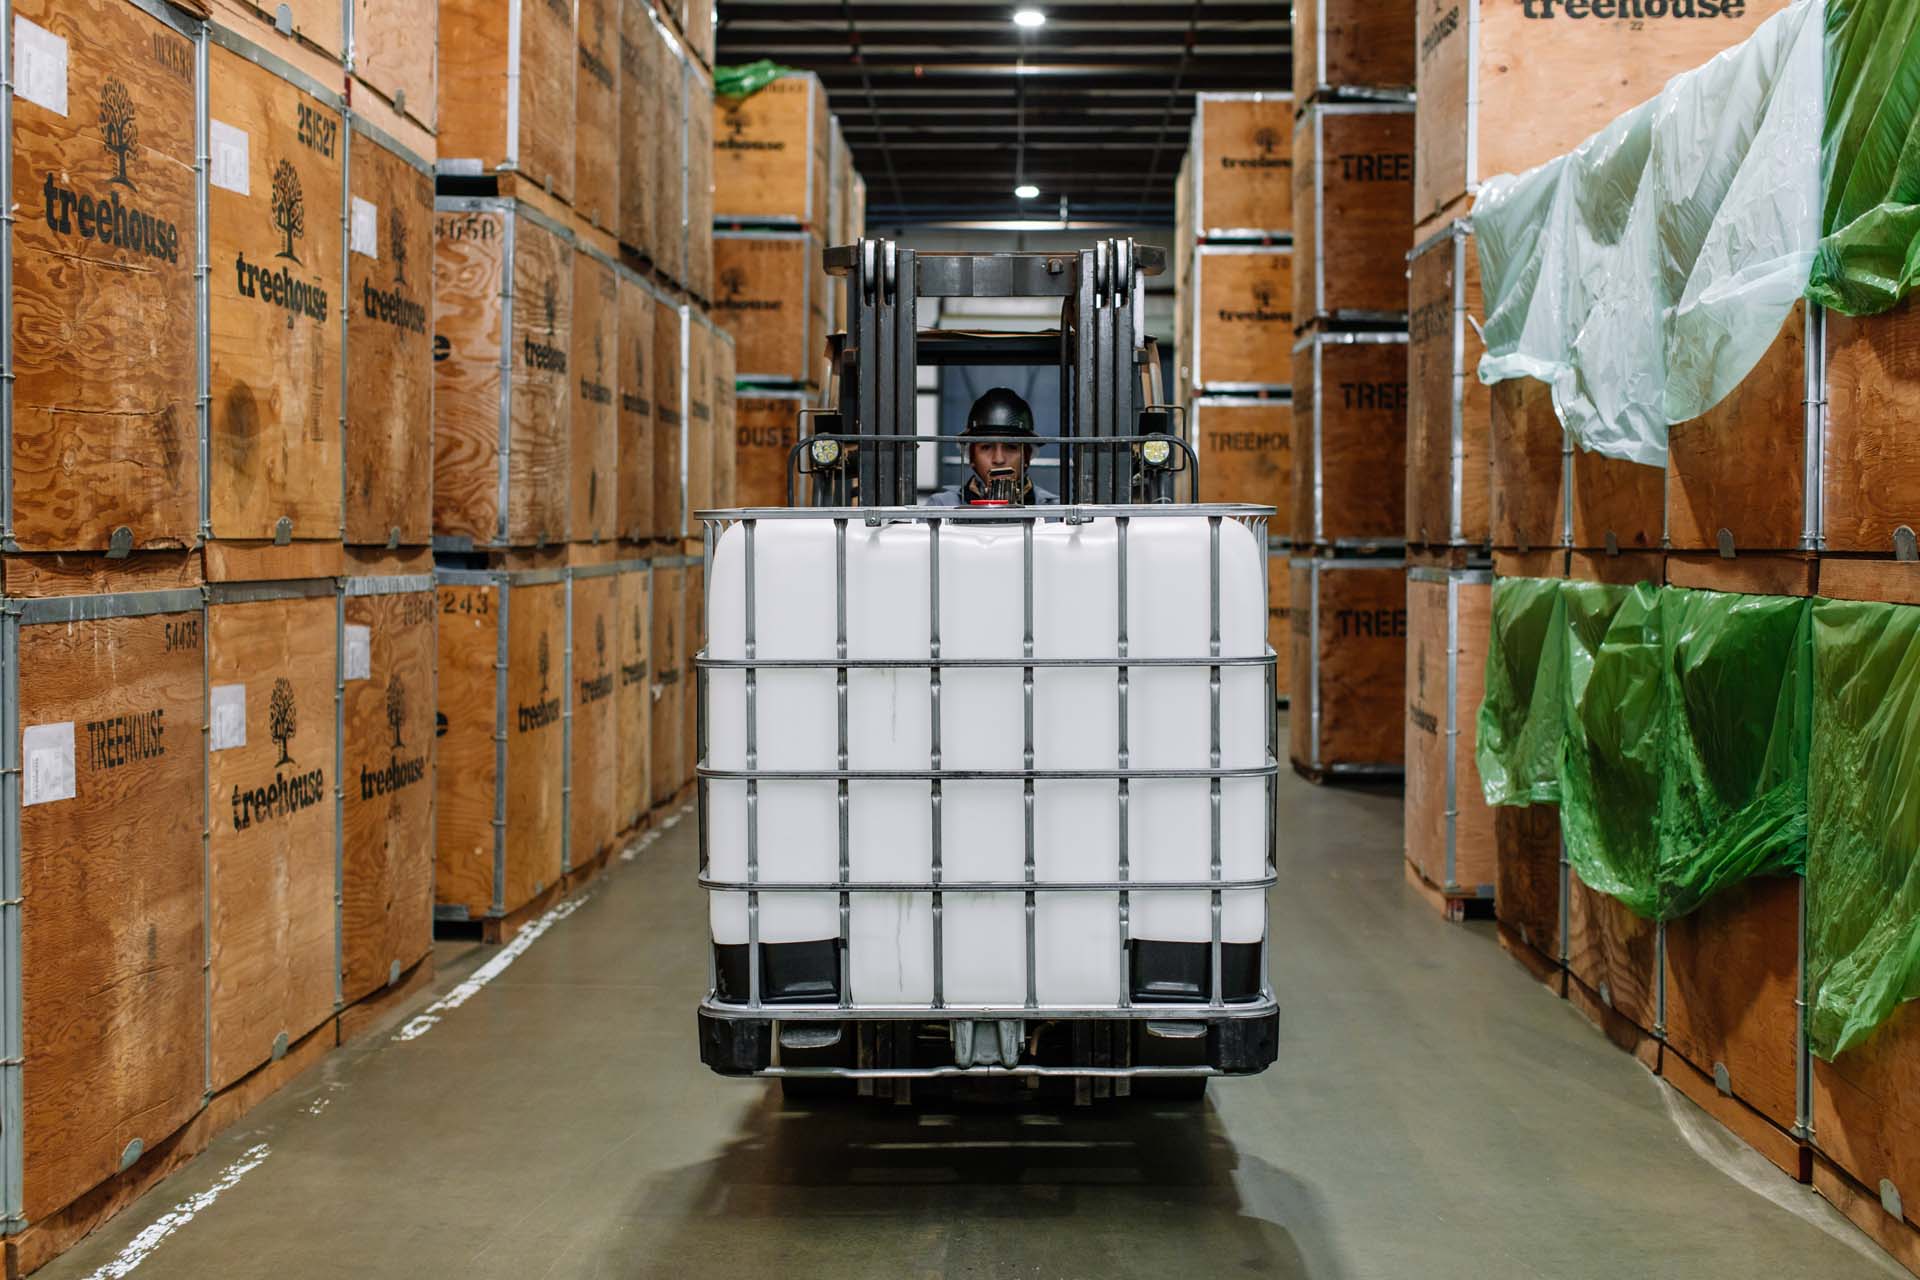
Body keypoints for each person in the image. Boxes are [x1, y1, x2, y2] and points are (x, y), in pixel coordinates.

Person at [923, 387, 1059, 506]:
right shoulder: (942, 508)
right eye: (986, 447)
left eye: (1011, 447)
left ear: (1028, 456)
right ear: (971, 457)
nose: (999, 459)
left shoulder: (1053, 514)